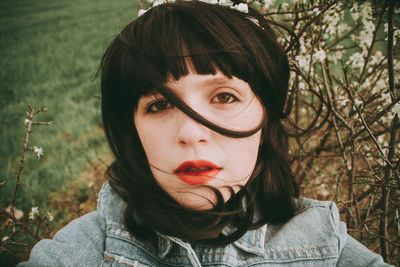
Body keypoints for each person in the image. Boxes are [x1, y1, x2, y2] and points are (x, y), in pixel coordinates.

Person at [19, 1, 393, 266]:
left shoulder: (324, 247)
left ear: (266, 118)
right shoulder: (86, 249)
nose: (191, 133)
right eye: (159, 104)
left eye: (225, 96)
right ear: (132, 131)